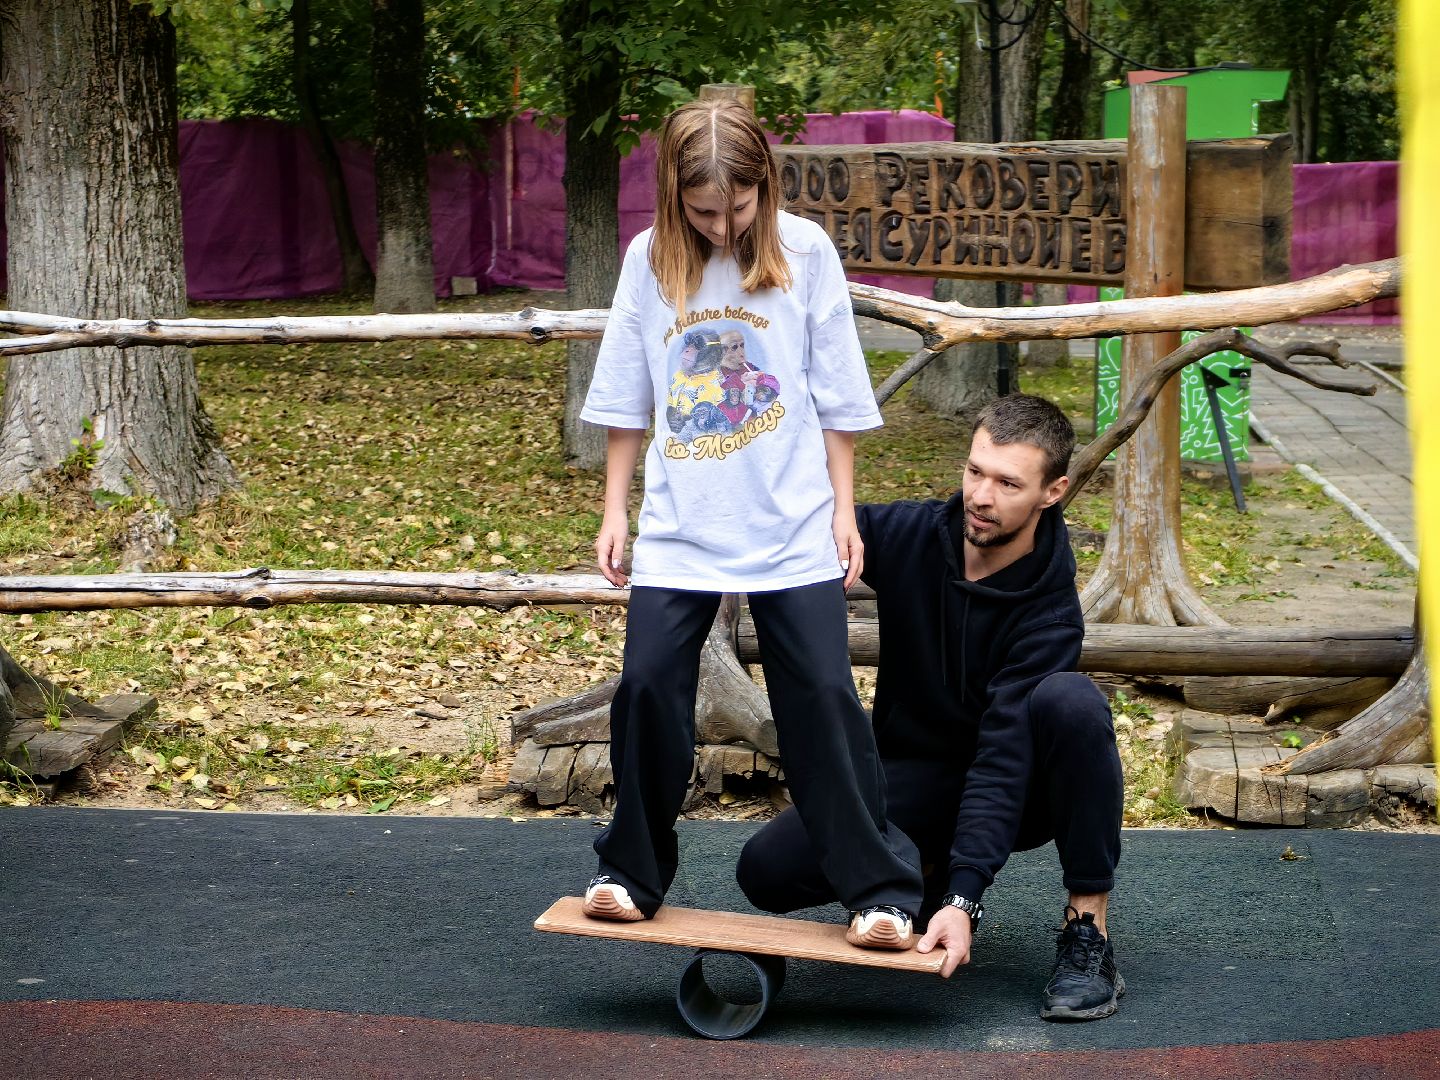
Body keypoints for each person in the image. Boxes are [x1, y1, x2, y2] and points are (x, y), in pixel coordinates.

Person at [578, 97, 924, 949]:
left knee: (822, 697)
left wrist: (845, 511)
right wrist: (614, 506)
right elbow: (630, 395)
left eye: (736, 207)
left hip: (792, 516)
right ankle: (630, 872)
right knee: (650, 687)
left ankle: (879, 888)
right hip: (681, 521)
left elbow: (839, 397)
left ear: (763, 186)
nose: (723, 224)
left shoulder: (804, 252)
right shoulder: (647, 261)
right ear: (673, 197)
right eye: (703, 211)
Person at [736, 393, 1127, 1020]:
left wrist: (966, 898)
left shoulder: (1049, 614)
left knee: (1072, 702)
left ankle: (1087, 927)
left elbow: (1002, 756)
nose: (980, 495)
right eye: (975, 471)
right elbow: (803, 523)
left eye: (1007, 483)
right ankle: (916, 869)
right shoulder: (916, 533)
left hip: (1021, 787)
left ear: (1052, 492)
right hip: (914, 773)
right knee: (765, 871)